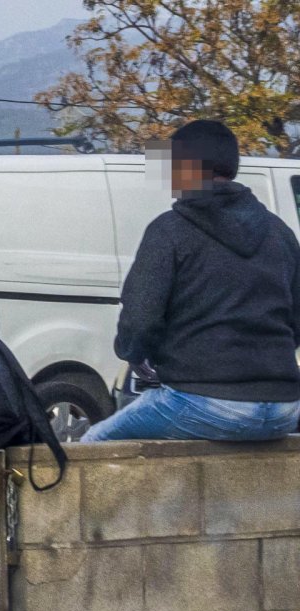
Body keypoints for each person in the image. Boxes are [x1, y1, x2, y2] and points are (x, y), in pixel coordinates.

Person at [84, 120, 300, 442]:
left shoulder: (169, 230)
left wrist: (135, 353)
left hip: (204, 402)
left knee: (94, 445)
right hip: (286, 408)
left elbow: (140, 319)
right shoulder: (281, 233)